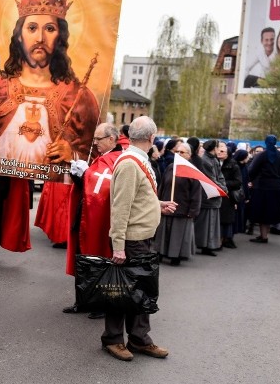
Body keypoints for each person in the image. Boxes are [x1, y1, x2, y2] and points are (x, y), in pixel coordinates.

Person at [0, 0, 100, 256]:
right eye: (32, 27)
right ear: (19, 33)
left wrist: (72, 153)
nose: (39, 37)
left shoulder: (80, 96)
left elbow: (92, 155)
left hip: (45, 176)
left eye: (49, 28)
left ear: (60, 35)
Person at [103, 116, 176, 362]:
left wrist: (157, 206)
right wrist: (118, 246)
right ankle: (113, 339)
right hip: (132, 240)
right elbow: (120, 208)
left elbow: (138, 198)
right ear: (152, 138)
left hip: (141, 238)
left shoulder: (137, 160)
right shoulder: (130, 164)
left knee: (140, 292)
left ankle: (139, 338)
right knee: (121, 291)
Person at [62, 122, 124, 319]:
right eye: (94, 138)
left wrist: (87, 173)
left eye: (98, 139)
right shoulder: (100, 158)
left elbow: (103, 189)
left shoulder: (118, 161)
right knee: (83, 259)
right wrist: (78, 175)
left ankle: (100, 304)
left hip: (100, 220)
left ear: (112, 139)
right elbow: (89, 188)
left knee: (98, 260)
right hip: (84, 215)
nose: (94, 142)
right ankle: (82, 300)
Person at [154, 142, 202, 265]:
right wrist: (157, 202)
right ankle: (160, 253)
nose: (179, 154)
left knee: (177, 235)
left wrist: (193, 211)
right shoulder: (171, 167)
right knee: (163, 232)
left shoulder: (192, 171)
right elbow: (162, 186)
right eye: (177, 152)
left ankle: (176, 256)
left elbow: (196, 193)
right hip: (166, 206)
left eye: (182, 152)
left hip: (182, 209)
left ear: (189, 155)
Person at [247, 135, 280, 244]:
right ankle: (264, 234)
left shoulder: (262, 155)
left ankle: (263, 236)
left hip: (262, 187)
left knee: (262, 212)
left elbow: (252, 169)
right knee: (270, 212)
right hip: (277, 188)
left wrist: (252, 180)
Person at [194, 139, 226, 256]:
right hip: (208, 196)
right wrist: (223, 188)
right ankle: (204, 245)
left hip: (214, 195)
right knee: (205, 223)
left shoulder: (213, 159)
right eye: (219, 147)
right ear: (214, 148)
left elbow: (220, 176)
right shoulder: (206, 161)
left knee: (211, 222)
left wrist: (223, 187)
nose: (220, 149)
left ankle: (209, 245)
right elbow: (211, 179)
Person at [217, 142, 242, 248]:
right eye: (218, 150)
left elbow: (237, 182)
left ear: (228, 153)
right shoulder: (215, 163)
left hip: (228, 196)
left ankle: (224, 240)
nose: (219, 152)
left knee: (225, 219)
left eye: (222, 151)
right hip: (216, 194)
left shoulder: (233, 165)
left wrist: (222, 184)